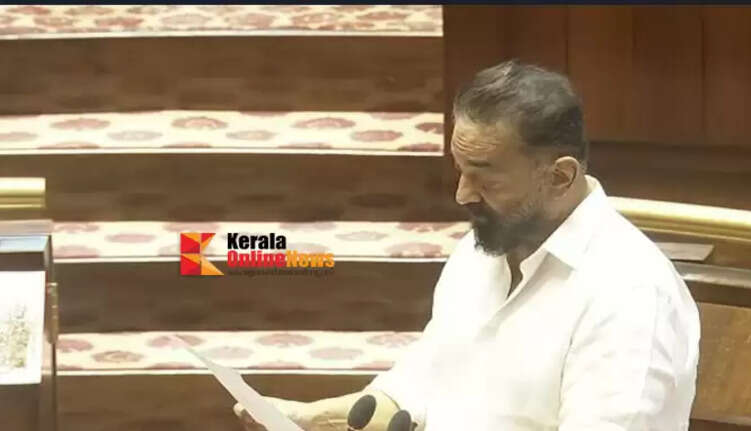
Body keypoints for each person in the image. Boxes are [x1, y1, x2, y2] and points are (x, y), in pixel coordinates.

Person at [235, 60, 701, 431]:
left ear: (560, 177)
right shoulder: (481, 250)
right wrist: (312, 419)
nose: (462, 195)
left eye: (485, 179)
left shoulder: (630, 294)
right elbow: (421, 384)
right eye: (460, 170)